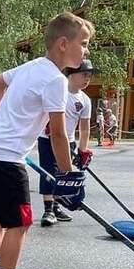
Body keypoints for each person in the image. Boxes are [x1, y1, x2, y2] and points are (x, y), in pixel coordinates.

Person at [0, 12, 90, 269]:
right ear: (64, 44)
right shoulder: (55, 80)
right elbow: (60, 136)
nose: (87, 51)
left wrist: (4, 120)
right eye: (85, 44)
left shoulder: (33, 66)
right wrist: (69, 174)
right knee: (21, 224)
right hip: (7, 159)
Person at [38, 59, 96, 226]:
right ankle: (48, 209)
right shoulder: (58, 91)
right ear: (71, 74)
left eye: (90, 76)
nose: (87, 79)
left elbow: (84, 129)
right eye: (84, 74)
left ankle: (56, 206)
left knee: (63, 175)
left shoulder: (85, 100)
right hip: (47, 139)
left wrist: (83, 150)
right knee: (48, 173)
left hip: (68, 141)